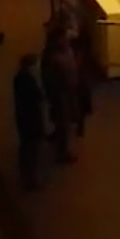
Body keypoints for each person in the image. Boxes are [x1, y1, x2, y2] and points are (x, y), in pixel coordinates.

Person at [41, 29, 82, 162]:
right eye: (64, 37)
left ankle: (59, 139)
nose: (66, 39)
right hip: (60, 94)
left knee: (65, 119)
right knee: (64, 121)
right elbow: (48, 78)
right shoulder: (54, 57)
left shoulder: (66, 51)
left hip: (69, 91)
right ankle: (62, 152)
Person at [11, 55, 48, 188]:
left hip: (24, 119)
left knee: (27, 148)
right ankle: (32, 179)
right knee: (33, 150)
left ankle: (27, 176)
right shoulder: (28, 79)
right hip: (32, 118)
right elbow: (38, 97)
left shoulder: (20, 78)